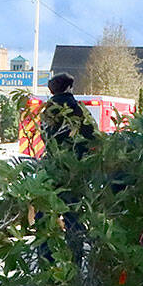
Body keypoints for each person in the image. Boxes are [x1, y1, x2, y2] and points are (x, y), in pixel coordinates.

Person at [39, 73, 96, 263]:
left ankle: (47, 262)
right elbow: (92, 134)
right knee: (73, 218)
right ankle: (75, 263)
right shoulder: (77, 109)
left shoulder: (46, 111)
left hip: (50, 169)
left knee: (46, 217)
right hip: (73, 169)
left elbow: (44, 136)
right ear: (69, 88)